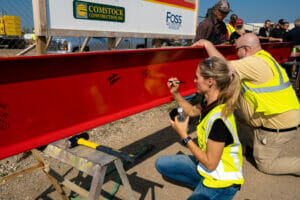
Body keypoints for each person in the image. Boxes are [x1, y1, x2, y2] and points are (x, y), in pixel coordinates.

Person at [193, 34, 300, 176]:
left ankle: (261, 149)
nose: (236, 53)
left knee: (266, 165)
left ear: (246, 49)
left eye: (237, 49)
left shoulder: (254, 62)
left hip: (279, 125)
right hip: (282, 115)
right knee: (236, 105)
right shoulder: (265, 57)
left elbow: (223, 69)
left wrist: (208, 44)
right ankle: (254, 146)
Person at [155, 57, 244, 200]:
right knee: (161, 164)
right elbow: (191, 111)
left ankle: (213, 193)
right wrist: (175, 93)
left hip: (221, 181)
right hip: (207, 167)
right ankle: (201, 187)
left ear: (210, 81)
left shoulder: (219, 121)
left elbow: (210, 164)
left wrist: (184, 136)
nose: (194, 81)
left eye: (197, 78)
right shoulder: (211, 101)